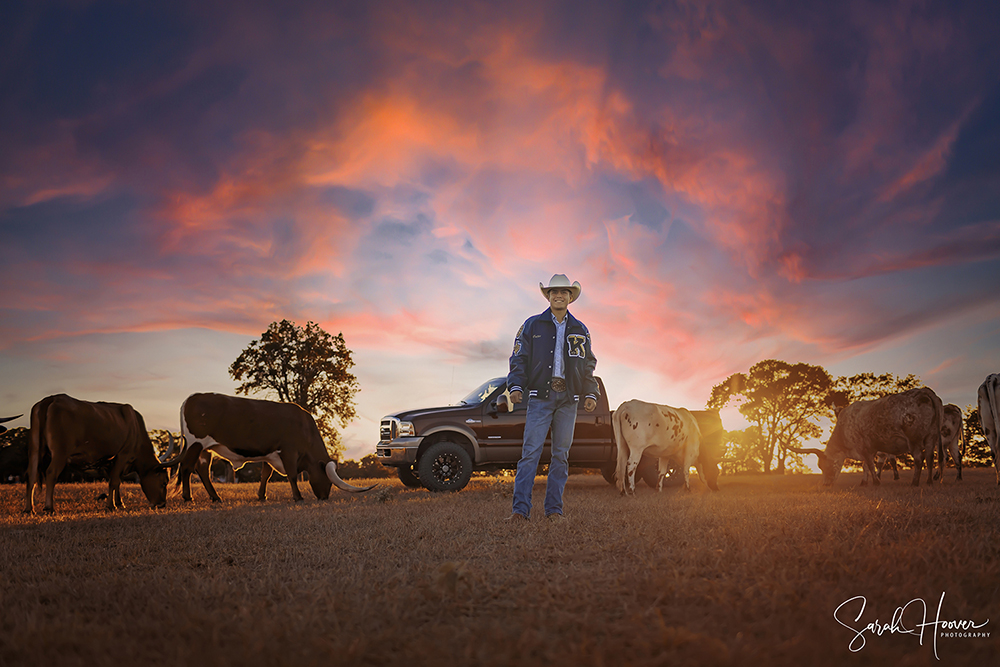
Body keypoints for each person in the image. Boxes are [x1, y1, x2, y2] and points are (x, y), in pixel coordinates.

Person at [505, 274, 599, 522]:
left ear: (571, 297)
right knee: (530, 453)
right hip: (540, 398)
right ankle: (520, 511)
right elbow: (519, 359)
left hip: (569, 400)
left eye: (564, 292)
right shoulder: (532, 325)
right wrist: (515, 386)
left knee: (561, 455)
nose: (559, 296)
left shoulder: (581, 330)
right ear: (548, 296)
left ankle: (554, 510)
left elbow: (588, 364)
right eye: (554, 292)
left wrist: (590, 392)